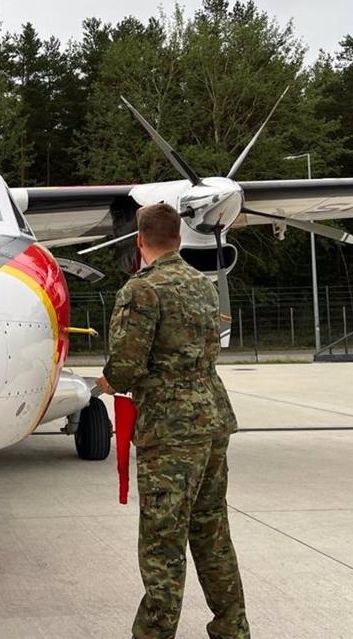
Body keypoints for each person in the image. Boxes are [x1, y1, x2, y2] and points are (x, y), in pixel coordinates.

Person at [97, 203, 250, 639]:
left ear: (139, 241)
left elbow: (126, 365)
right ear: (179, 240)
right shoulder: (203, 285)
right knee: (212, 531)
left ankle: (154, 633)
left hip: (170, 429)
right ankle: (232, 628)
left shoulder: (142, 290)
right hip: (212, 419)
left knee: (162, 542)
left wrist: (106, 381)